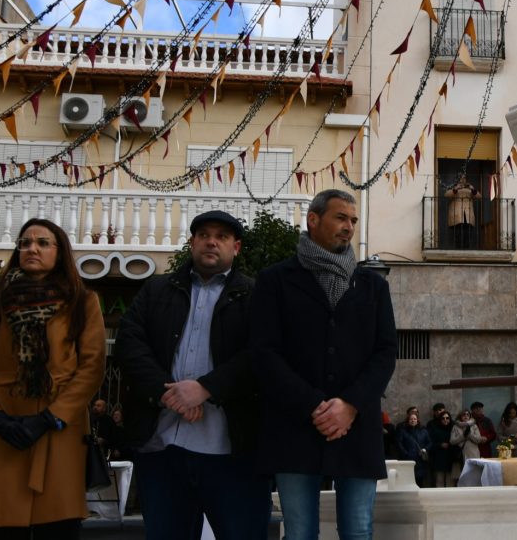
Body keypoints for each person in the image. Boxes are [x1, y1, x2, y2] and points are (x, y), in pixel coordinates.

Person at [250, 189, 398, 540]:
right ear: (312, 220)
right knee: (299, 532)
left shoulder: (373, 286)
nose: (349, 227)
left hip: (356, 426)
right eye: (340, 217)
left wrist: (349, 405)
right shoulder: (275, 281)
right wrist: (313, 405)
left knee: (358, 530)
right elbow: (264, 352)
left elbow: (386, 351)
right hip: (294, 425)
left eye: (353, 220)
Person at [114, 210, 268, 540]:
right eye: (204, 235)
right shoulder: (156, 290)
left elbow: (262, 355)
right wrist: (166, 392)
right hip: (162, 450)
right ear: (192, 242)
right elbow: (128, 343)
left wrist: (206, 389)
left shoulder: (256, 296)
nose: (212, 241)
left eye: (222, 236)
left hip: (233, 452)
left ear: (236, 247)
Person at [0, 219, 106, 538]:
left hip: (57, 432)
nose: (32, 248)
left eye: (43, 243)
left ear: (60, 252)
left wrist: (48, 419)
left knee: (55, 526)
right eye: (25, 242)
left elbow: (91, 368)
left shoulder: (83, 302)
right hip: (3, 434)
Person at [395, 412, 432, 487]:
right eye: (411, 419)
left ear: (417, 420)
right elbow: (399, 443)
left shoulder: (423, 431)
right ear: (408, 420)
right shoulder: (403, 431)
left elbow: (430, 442)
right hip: (407, 460)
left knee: (419, 481)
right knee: (408, 482)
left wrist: (425, 449)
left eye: (414, 419)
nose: (413, 420)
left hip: (420, 460)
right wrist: (405, 454)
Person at [444, 176, 478, 249]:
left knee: (467, 234)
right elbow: (446, 195)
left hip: (468, 215)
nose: (463, 180)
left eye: (464, 179)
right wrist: (456, 189)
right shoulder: (454, 188)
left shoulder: (469, 190)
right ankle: (458, 248)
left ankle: (466, 249)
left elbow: (478, 196)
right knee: (457, 234)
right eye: (461, 179)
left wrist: (472, 189)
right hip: (457, 215)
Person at [426, 407, 455, 487]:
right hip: (439, 457)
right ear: (440, 419)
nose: (445, 420)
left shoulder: (453, 429)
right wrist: (440, 444)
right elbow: (430, 443)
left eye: (447, 418)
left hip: (451, 457)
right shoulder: (435, 430)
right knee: (439, 480)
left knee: (450, 481)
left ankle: (450, 498)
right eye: (443, 418)